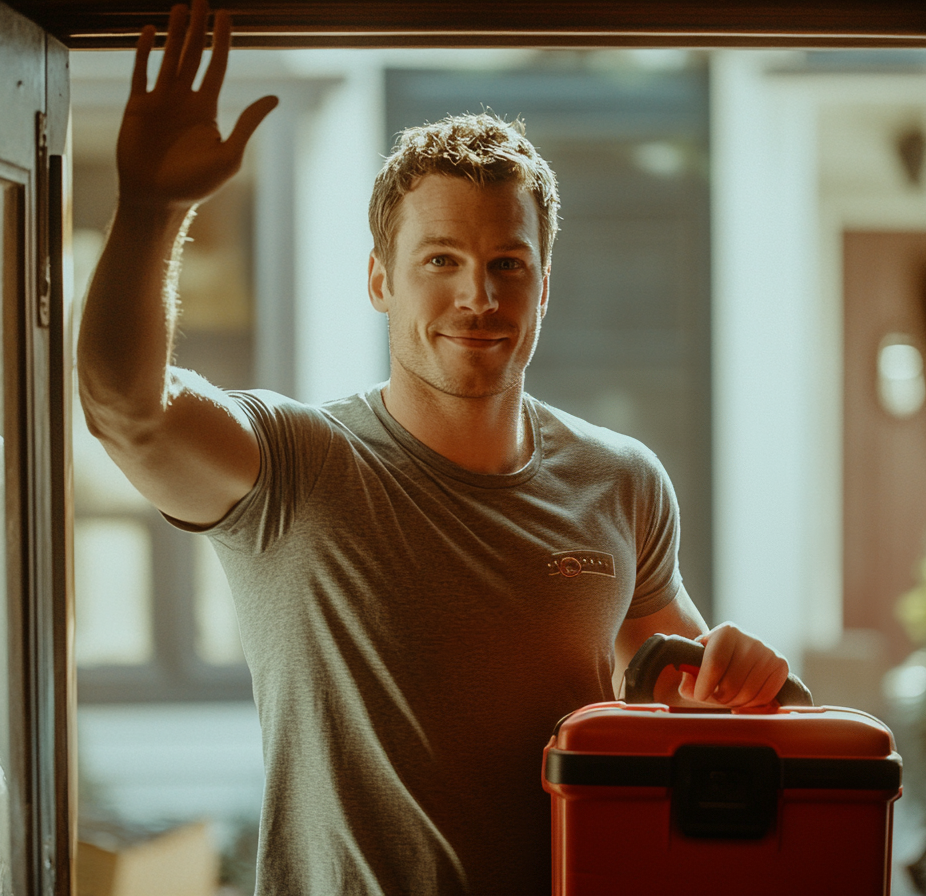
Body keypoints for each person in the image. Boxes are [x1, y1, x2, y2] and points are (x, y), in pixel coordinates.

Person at [77, 3, 798, 893]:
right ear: (381, 280)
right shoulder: (296, 467)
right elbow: (126, 407)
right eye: (441, 261)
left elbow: (683, 707)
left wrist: (749, 681)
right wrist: (152, 208)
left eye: (508, 265)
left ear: (545, 284)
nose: (478, 297)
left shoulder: (622, 482)